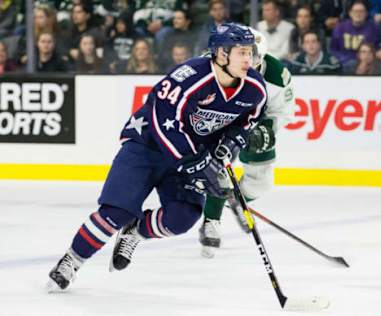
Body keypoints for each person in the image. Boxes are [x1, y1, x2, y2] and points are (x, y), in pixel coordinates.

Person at [46, 22, 267, 292]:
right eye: (242, 52)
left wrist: (226, 148)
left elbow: (246, 122)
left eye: (250, 52)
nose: (249, 58)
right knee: (116, 212)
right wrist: (199, 164)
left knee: (183, 217)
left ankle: (136, 231)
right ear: (222, 54)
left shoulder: (254, 87)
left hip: (189, 154)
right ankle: (72, 260)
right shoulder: (188, 78)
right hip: (147, 146)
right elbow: (164, 125)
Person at [199, 27, 295, 258]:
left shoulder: (277, 76)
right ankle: (211, 220)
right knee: (217, 171)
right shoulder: (209, 66)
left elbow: (281, 111)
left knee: (261, 182)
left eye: (253, 58)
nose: (248, 64)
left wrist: (264, 130)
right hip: (219, 121)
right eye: (242, 56)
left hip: (255, 122)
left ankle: (235, 201)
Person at [330, 0, 380, 67]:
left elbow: (375, 50)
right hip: (343, 64)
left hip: (366, 64)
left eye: (361, 11)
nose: (358, 14)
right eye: (355, 11)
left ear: (366, 14)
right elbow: (333, 50)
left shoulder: (373, 29)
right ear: (350, 13)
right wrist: (346, 60)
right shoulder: (339, 28)